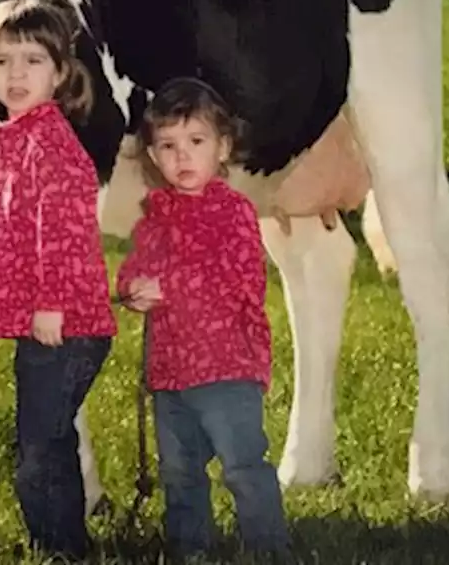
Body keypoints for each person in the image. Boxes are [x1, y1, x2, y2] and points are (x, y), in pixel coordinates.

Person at [0, 0, 117, 562]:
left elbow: (61, 233)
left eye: (32, 61)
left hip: (67, 324)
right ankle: (63, 543)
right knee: (49, 438)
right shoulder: (10, 141)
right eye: (2, 61)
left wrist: (51, 305)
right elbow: (5, 230)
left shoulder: (53, 146)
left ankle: (61, 549)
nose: (16, 74)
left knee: (38, 451)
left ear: (61, 73)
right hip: (48, 324)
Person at [117, 77, 293, 562]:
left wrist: (168, 288)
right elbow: (136, 268)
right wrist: (131, 289)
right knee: (179, 470)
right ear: (153, 156)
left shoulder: (233, 213)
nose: (182, 157)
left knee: (242, 465)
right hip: (171, 372)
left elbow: (235, 281)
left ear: (223, 148)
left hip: (227, 368)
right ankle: (189, 547)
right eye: (168, 146)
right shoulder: (156, 215)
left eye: (196, 142)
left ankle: (267, 547)